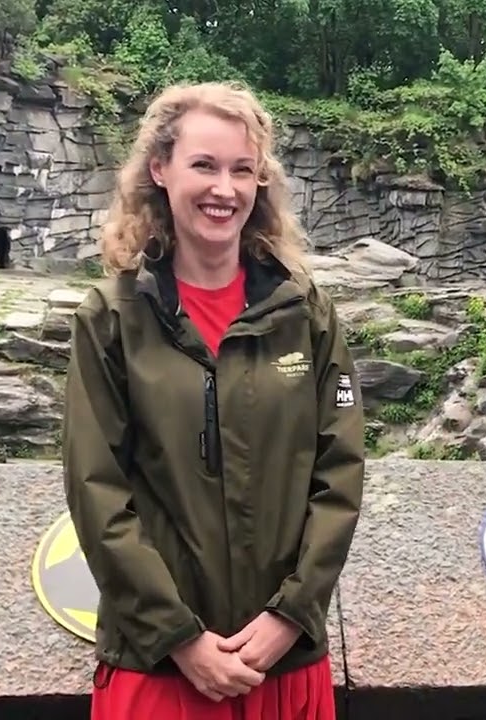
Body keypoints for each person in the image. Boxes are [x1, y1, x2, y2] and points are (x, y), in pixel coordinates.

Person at [61, 81, 366, 720]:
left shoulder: (304, 314)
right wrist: (179, 637)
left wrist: (291, 615)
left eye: (241, 170)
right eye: (203, 165)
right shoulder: (113, 318)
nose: (223, 189)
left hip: (282, 663)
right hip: (161, 671)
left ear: (261, 184)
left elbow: (338, 475)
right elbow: (98, 491)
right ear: (160, 169)